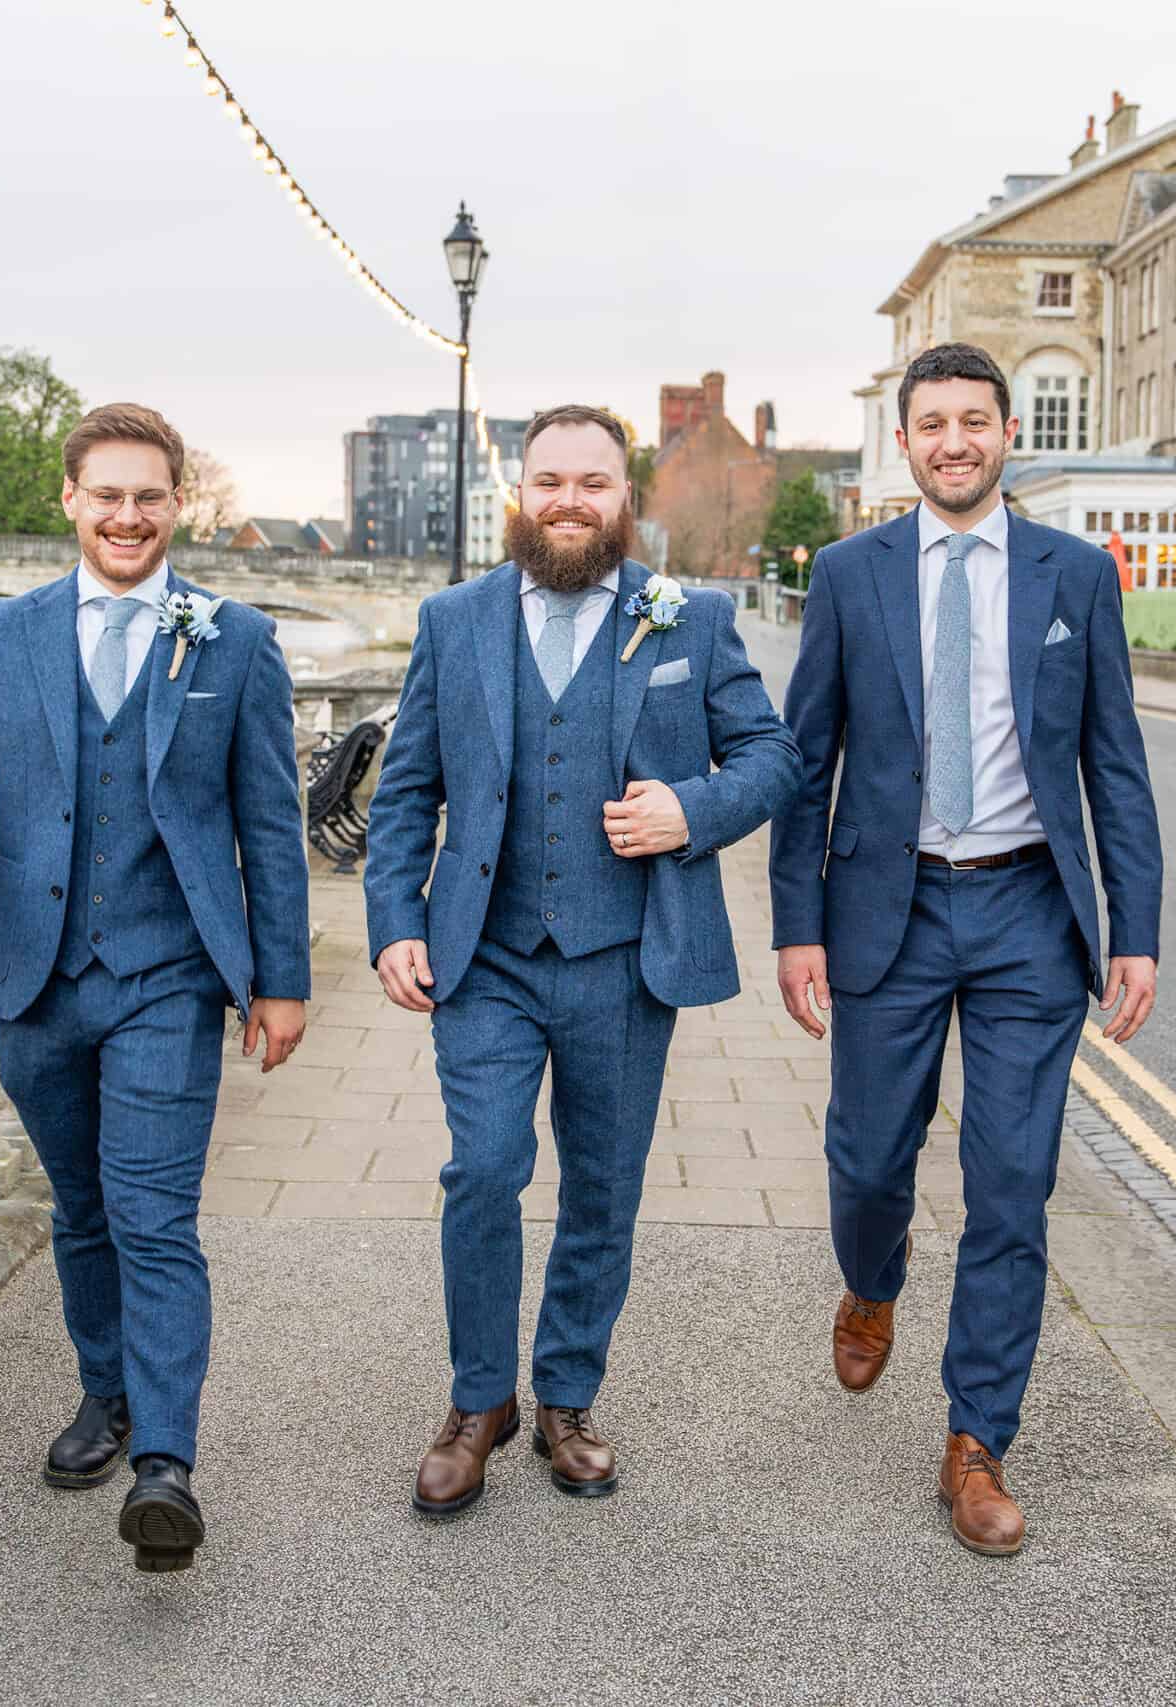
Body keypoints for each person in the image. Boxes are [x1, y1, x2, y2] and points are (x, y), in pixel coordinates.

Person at [0, 401, 309, 1574]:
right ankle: (106, 1395)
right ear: (70, 502)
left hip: (169, 978)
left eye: (150, 496)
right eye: (107, 495)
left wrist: (281, 983)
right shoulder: (1, 634)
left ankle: (165, 1462)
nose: (129, 516)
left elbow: (271, 827)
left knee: (153, 1217)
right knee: (80, 1211)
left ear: (180, 506)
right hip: (34, 976)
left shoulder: (234, 640)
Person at [364, 403, 799, 1516]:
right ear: (522, 491)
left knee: (602, 1189)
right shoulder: (453, 620)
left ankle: (564, 1398)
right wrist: (393, 921)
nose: (568, 500)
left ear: (626, 498)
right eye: (548, 480)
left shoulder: (687, 619)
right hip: (487, 955)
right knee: (484, 1170)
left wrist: (689, 810)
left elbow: (769, 755)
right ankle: (477, 1401)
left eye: (591, 483)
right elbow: (408, 788)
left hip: (622, 955)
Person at [768, 342, 1163, 1556]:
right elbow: (804, 762)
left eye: (974, 421)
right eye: (931, 423)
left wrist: (1132, 931)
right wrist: (797, 928)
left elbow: (1113, 762)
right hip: (884, 908)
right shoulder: (849, 572)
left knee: (1012, 1185)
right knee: (871, 1159)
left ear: (1006, 436)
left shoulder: (1075, 574)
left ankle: (975, 1439)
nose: (953, 441)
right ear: (905, 442)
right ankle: (872, 1280)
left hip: (1026, 919)